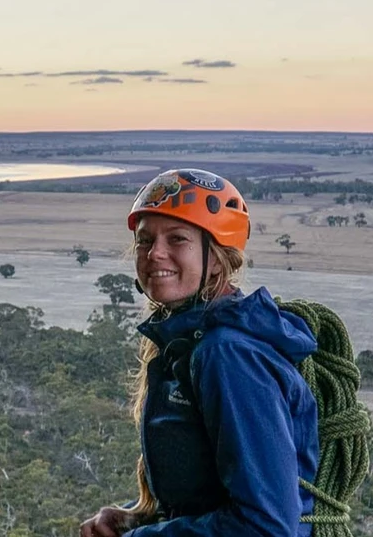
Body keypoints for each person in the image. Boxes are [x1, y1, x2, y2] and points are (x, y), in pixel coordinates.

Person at [80, 169, 321, 537]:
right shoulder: (187, 339)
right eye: (145, 241)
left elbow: (266, 527)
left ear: (218, 256)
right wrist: (136, 516)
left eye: (177, 239)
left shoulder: (227, 355)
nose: (155, 253)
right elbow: (204, 498)